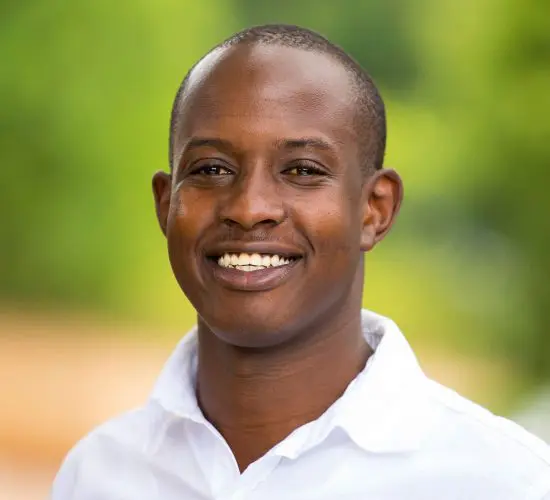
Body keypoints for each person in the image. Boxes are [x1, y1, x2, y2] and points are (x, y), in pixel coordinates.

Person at [51, 24, 550, 499]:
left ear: (374, 208)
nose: (249, 208)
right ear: (167, 203)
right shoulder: (98, 475)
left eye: (303, 170)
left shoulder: (502, 482)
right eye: (211, 169)